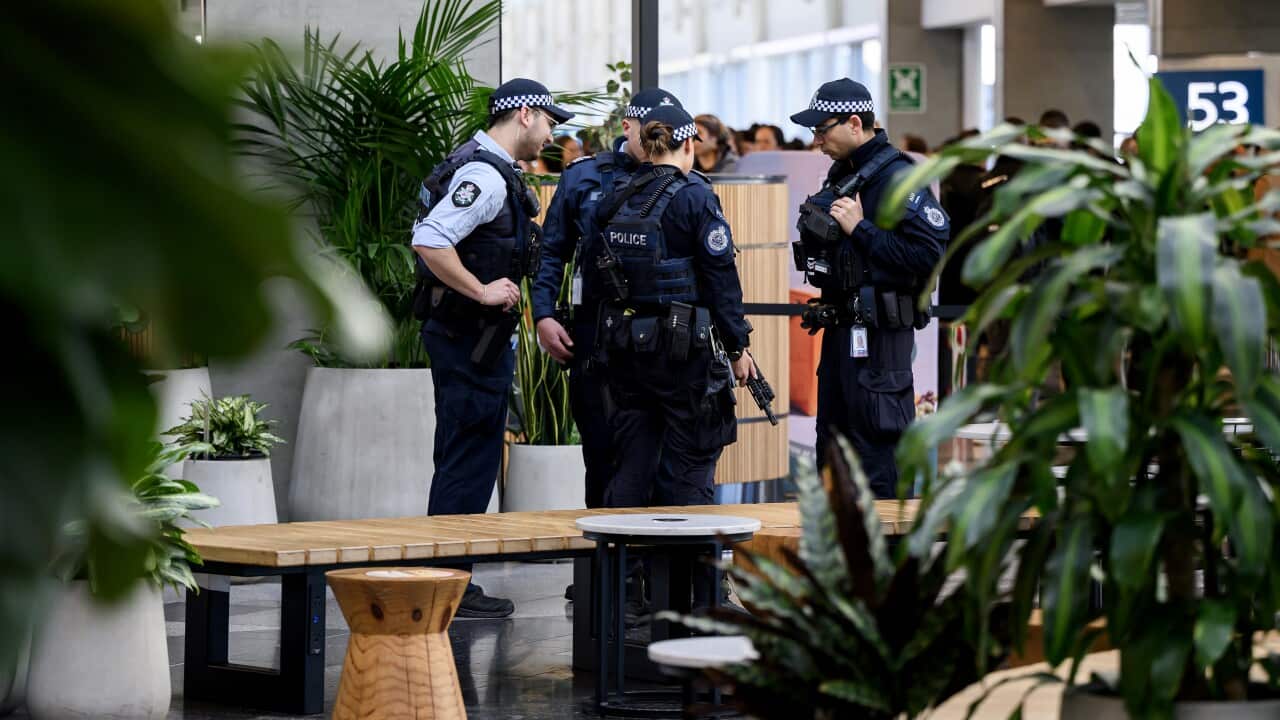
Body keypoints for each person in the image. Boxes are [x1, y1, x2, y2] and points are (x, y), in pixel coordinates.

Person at [410, 78, 573, 618]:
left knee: (462, 453)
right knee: (470, 458)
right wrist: (481, 290)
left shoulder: (478, 165)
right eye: (549, 121)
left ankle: (445, 579)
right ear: (524, 114)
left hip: (463, 338)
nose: (551, 134)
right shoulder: (485, 174)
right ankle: (447, 585)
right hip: (470, 339)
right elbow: (430, 239)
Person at [593, 103, 755, 611]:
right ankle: (699, 601)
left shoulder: (613, 197)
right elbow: (721, 281)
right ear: (689, 144)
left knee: (632, 467)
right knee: (692, 468)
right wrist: (739, 347)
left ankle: (621, 594)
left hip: (626, 353)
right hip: (685, 358)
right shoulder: (694, 199)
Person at [789, 78, 947, 498]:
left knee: (876, 465)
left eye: (823, 130)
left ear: (855, 123)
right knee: (833, 460)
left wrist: (860, 229)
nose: (817, 140)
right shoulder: (846, 174)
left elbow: (929, 256)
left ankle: (881, 564)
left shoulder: (897, 178)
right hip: (842, 338)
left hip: (879, 349)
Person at [532, 87, 687, 515]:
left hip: (661, 346)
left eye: (668, 132)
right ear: (627, 127)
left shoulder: (684, 180)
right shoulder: (583, 177)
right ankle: (605, 576)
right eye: (650, 130)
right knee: (601, 455)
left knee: (664, 464)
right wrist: (543, 315)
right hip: (597, 339)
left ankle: (653, 575)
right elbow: (552, 252)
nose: (659, 139)